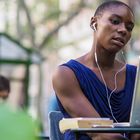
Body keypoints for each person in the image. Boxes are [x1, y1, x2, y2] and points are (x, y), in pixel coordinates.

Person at [52, 1, 140, 140]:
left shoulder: (136, 76)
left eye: (129, 28)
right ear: (94, 22)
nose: (123, 30)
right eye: (115, 21)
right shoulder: (66, 74)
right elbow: (100, 134)